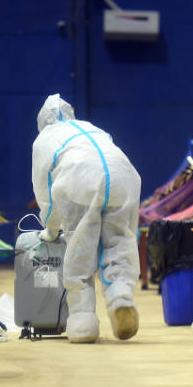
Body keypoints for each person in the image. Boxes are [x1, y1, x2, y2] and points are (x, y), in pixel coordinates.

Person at [32, 94, 141, 343]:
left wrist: (50, 229)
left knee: (79, 249)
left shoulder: (44, 140)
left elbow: (45, 192)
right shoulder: (92, 128)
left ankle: (83, 321)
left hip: (80, 179)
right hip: (124, 177)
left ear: (42, 122)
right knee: (120, 244)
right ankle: (121, 298)